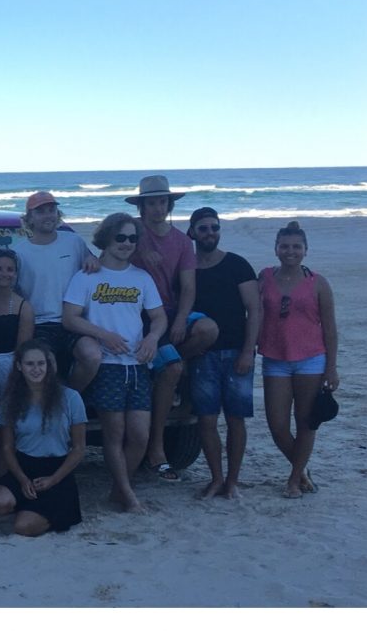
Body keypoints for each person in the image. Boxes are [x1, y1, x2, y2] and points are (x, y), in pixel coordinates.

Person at [62, 212, 166, 513]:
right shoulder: (86, 276)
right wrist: (102, 335)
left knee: (140, 436)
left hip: (137, 366)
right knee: (115, 433)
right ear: (106, 238)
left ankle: (119, 489)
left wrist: (153, 338)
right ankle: (128, 496)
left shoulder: (141, 277)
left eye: (133, 238)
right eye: (121, 237)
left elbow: (158, 317)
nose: (127, 243)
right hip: (107, 365)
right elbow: (70, 318)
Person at [125, 176, 219, 481]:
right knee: (173, 370)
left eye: (162, 202)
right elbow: (107, 257)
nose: (156, 208)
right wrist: (137, 247)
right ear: (141, 207)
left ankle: (164, 363)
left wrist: (181, 319)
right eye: (150, 202)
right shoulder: (128, 235)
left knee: (207, 329)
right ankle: (157, 449)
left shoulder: (181, 241)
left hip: (167, 311)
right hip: (133, 312)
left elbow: (188, 287)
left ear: (169, 205)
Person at [258, 221, 338, 499]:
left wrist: (332, 367)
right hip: (274, 358)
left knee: (305, 422)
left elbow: (329, 328)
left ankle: (294, 479)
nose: (290, 251)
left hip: (311, 360)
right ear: (276, 249)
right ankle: (302, 469)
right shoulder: (264, 277)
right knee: (277, 426)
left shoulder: (318, 283)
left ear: (305, 250)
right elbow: (251, 313)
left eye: (296, 247)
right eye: (285, 246)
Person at [186, 207, 261, 500]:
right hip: (202, 353)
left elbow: (254, 310)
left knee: (235, 419)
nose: (210, 233)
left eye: (214, 228)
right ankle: (216, 477)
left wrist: (248, 351)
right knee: (205, 420)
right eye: (203, 228)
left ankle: (233, 481)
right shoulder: (186, 268)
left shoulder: (237, 265)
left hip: (235, 352)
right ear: (192, 232)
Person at [0, 340, 87, 536]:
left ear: (48, 366)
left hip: (57, 469)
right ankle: (28, 506)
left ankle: (47, 511)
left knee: (23, 528)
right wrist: (22, 479)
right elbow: (7, 447)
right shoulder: (11, 401)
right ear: (19, 366)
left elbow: (79, 448)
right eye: (30, 364)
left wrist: (53, 480)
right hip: (24, 467)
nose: (36, 369)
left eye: (41, 363)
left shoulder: (71, 398)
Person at [12, 191, 102, 392]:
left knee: (93, 356)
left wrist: (92, 259)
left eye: (51, 210)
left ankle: (70, 399)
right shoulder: (19, 253)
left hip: (75, 321)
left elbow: (93, 263)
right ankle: (59, 404)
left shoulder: (74, 241)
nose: (48, 215)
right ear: (30, 219)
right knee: (47, 367)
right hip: (40, 324)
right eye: (40, 211)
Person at [0, 248, 35, 400]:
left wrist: (15, 377)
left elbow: (22, 349)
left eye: (10, 269)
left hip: (10, 368)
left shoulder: (24, 307)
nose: (4, 274)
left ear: (16, 274)